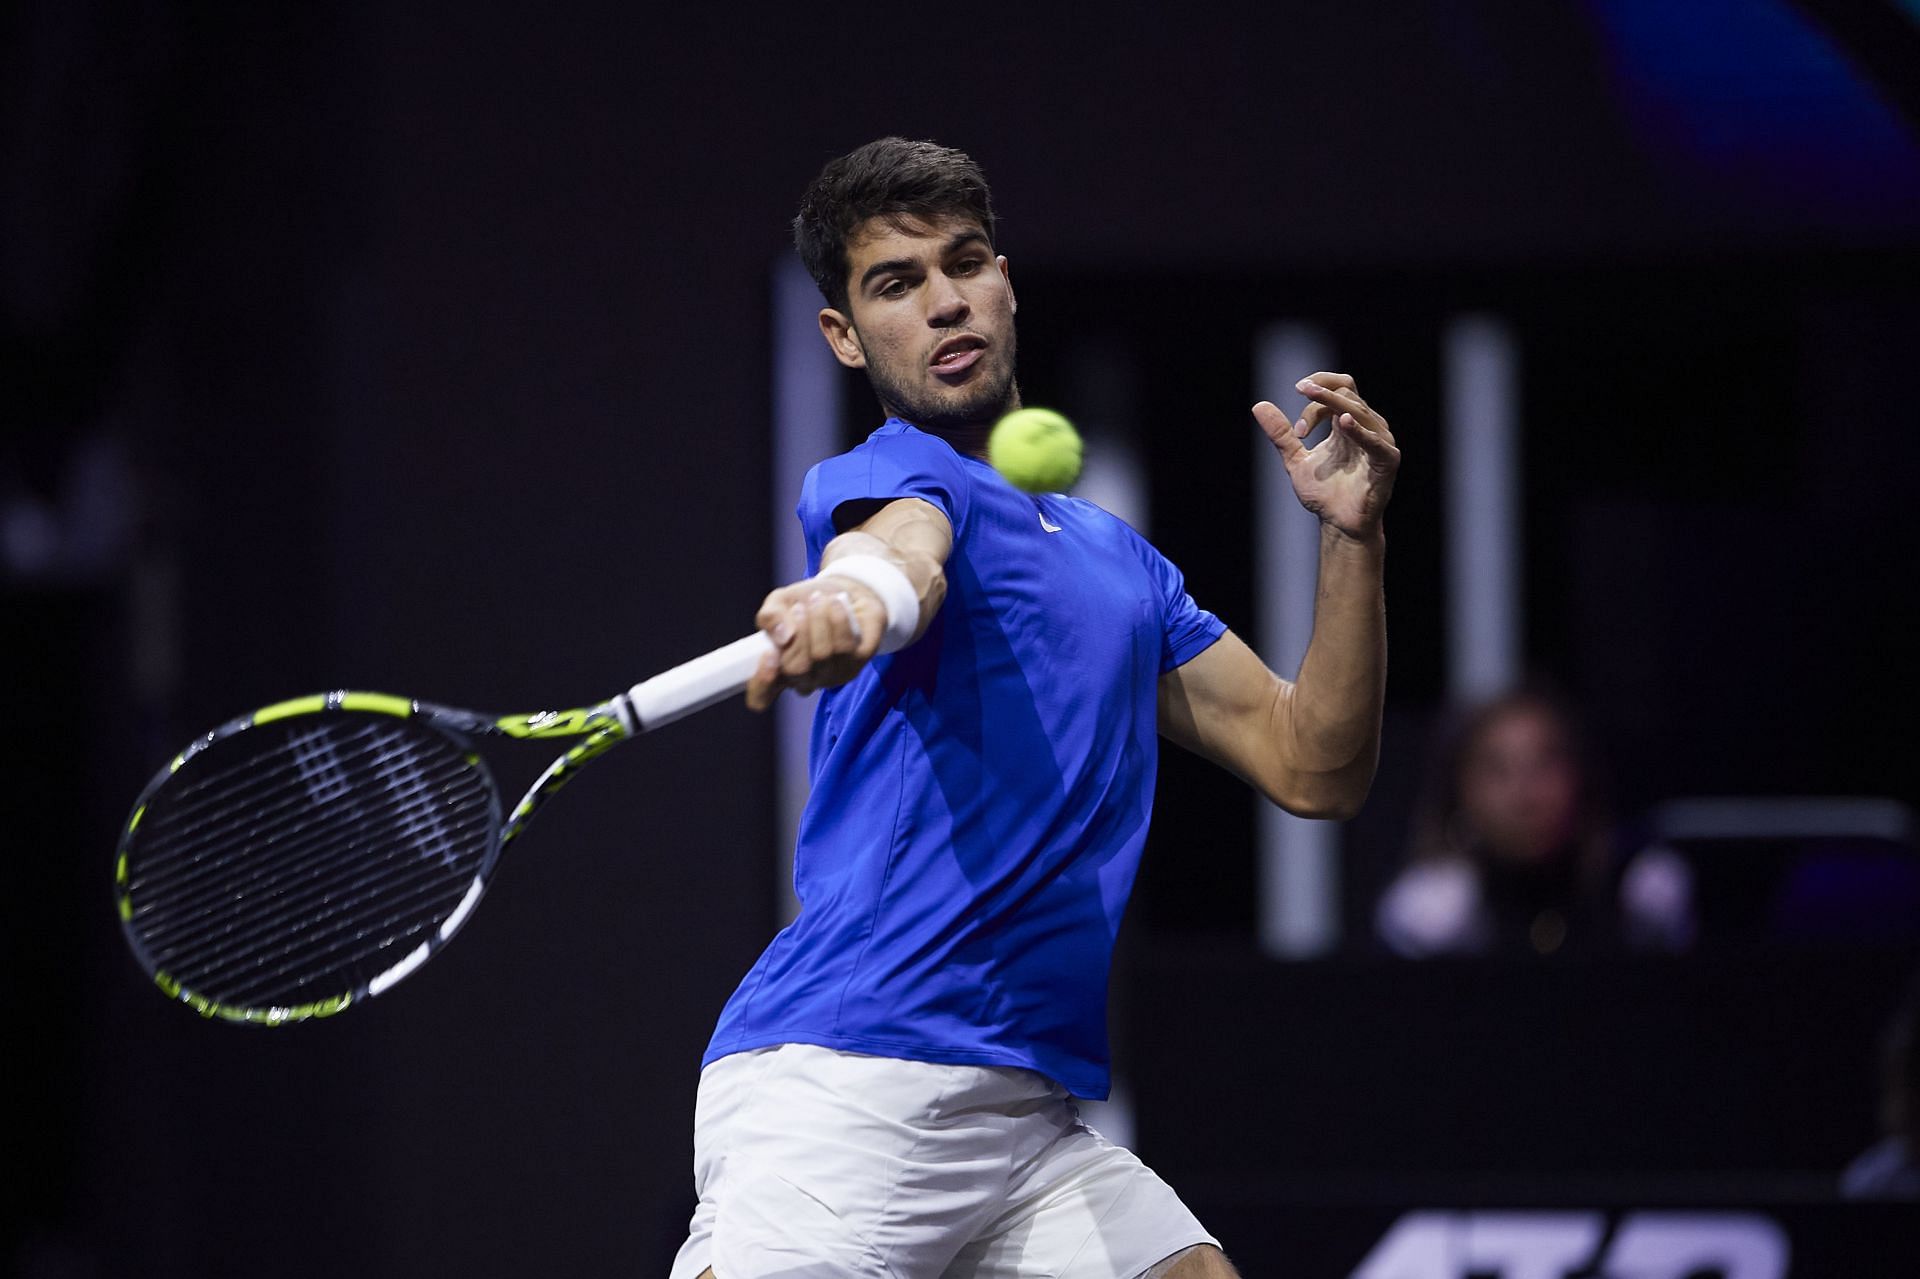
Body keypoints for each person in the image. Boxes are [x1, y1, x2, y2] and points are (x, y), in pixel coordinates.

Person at [671, 137, 1399, 1279]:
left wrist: (1352, 542)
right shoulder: (897, 474)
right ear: (845, 336)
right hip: (852, 1080)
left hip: (1027, 1114)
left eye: (963, 263)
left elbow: (1316, 767)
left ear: (1005, 281)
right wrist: (848, 607)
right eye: (895, 283)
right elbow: (902, 558)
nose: (945, 300)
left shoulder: (1124, 567)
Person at [1374, 685, 1694, 958]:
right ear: (1460, 793)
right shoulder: (1430, 919)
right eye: (1498, 771)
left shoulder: (1644, 896)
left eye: (1545, 765)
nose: (1524, 797)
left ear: (1582, 778)